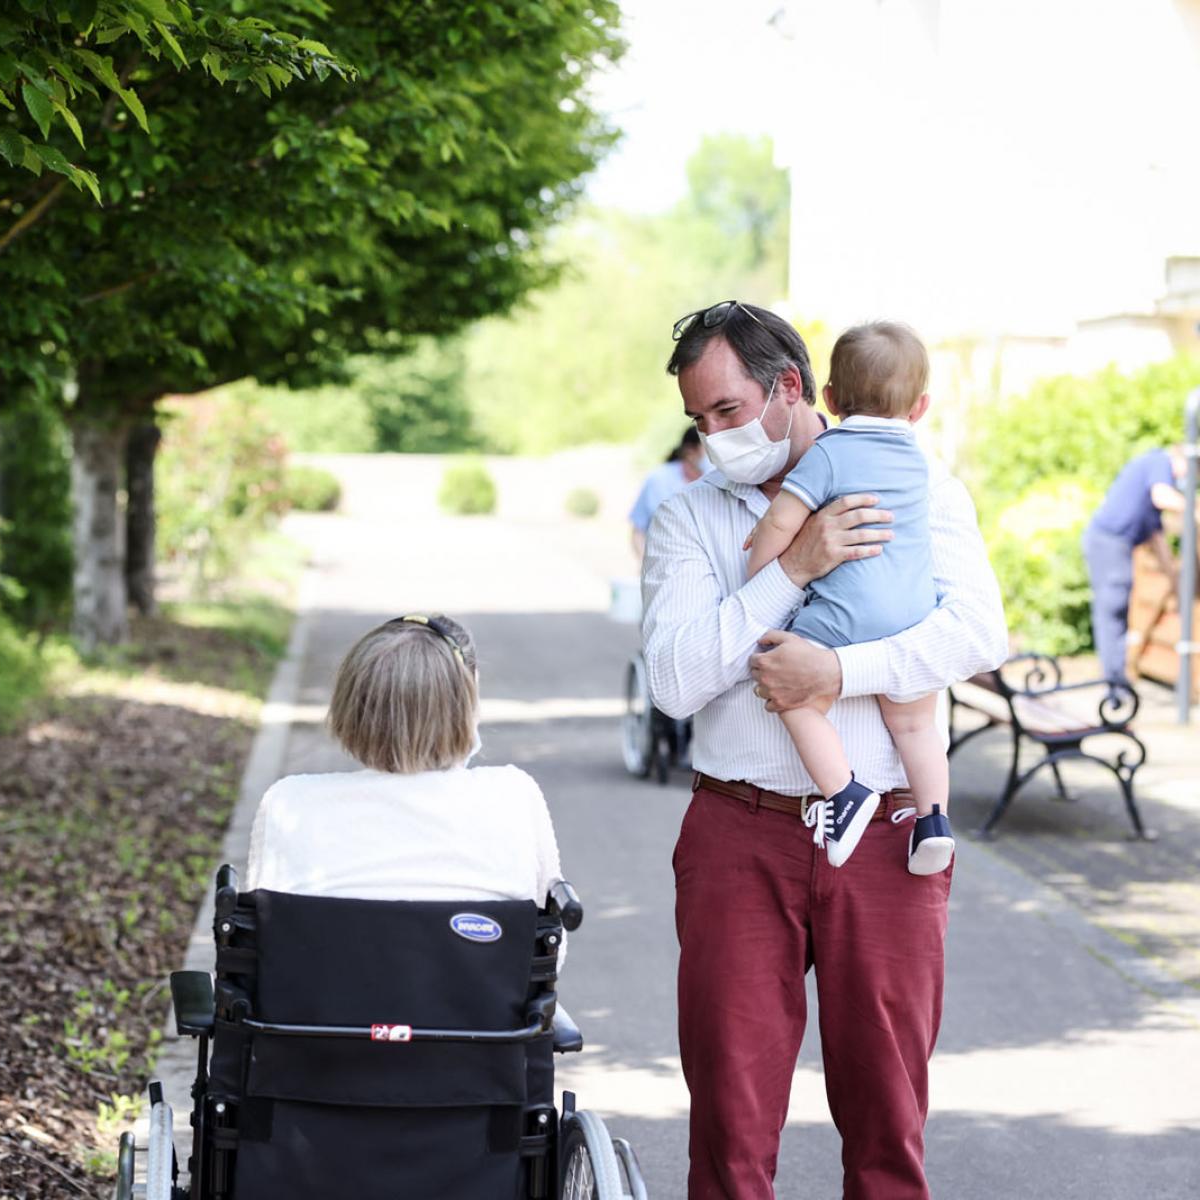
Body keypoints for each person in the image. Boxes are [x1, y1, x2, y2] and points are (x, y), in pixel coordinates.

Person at [642, 300, 1007, 1199]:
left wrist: (836, 673)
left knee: (888, 1122)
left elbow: (976, 634)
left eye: (727, 411)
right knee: (729, 1124)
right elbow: (676, 681)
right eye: (699, 419)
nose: (712, 435)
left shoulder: (923, 487)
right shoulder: (692, 517)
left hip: (887, 836)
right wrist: (792, 571)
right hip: (740, 832)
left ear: (793, 388)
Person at [743, 322, 955, 875]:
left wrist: (759, 566)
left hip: (846, 615)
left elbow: (780, 524)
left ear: (830, 399)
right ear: (921, 407)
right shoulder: (921, 464)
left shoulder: (830, 453)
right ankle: (934, 822)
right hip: (912, 616)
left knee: (787, 685)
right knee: (915, 725)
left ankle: (843, 792)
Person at [245, 614, 564, 961]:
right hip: (481, 1011)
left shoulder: (289, 804)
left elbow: (261, 944)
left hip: (317, 1012)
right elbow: (550, 952)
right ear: (464, 707)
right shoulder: (513, 796)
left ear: (350, 705)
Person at [1082, 445, 1192, 688]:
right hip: (1110, 542)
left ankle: (1116, 678)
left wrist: (1175, 583)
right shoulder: (1160, 462)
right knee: (1113, 609)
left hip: (1112, 544)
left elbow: (1157, 540)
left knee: (1115, 609)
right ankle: (1115, 682)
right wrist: (1194, 510)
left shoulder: (1151, 476)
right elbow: (1162, 496)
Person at [629, 426, 705, 559]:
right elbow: (638, 531)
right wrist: (643, 565)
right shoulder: (658, 480)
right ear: (690, 452)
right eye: (708, 449)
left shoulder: (721, 482)